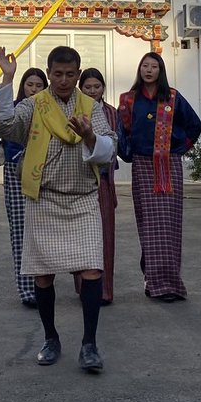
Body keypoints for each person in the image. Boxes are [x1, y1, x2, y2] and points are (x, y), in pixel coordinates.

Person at [0, 45, 116, 373]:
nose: (62, 80)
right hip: (43, 199)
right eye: (57, 74)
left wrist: (90, 136)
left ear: (78, 74)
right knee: (43, 276)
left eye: (69, 74)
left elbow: (110, 148)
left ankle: (89, 344)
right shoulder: (35, 104)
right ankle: (50, 338)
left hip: (84, 198)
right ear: (48, 73)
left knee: (92, 271)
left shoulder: (91, 107)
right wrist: (7, 78)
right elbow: (6, 129)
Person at [117, 52, 201, 302]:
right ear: (139, 69)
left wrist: (178, 149)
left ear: (161, 70)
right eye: (145, 65)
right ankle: (153, 279)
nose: (149, 70)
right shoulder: (128, 100)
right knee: (149, 225)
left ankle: (169, 283)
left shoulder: (172, 97)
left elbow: (194, 125)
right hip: (143, 167)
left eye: (154, 66)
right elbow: (122, 132)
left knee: (169, 226)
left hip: (170, 166)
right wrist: (128, 153)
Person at [0, 66, 48, 307]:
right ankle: (26, 290)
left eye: (39, 85)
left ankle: (42, 284)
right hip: (15, 173)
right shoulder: (10, 109)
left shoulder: (47, 110)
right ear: (23, 85)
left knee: (41, 231)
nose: (33, 89)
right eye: (30, 84)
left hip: (43, 172)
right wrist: (8, 161)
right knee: (20, 230)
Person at [72, 68, 118, 305]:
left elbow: (116, 145)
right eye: (87, 87)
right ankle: (84, 289)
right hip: (78, 180)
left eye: (96, 87)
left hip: (103, 181)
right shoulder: (74, 109)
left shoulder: (111, 113)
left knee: (105, 236)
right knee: (81, 239)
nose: (92, 91)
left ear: (103, 88)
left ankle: (105, 291)